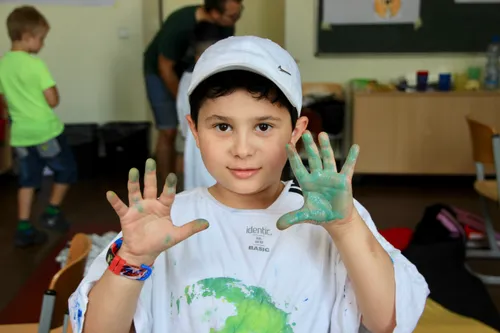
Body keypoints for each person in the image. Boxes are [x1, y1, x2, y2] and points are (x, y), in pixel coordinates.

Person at [69, 36, 429, 333]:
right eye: (222, 126)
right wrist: (133, 258)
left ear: (297, 130)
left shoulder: (337, 217)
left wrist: (346, 226)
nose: (242, 150)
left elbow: (388, 324)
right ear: (194, 130)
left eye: (264, 126)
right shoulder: (165, 222)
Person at [143, 0, 243, 187]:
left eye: (239, 13)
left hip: (196, 73)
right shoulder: (179, 24)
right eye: (232, 16)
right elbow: (165, 66)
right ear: (214, 13)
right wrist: (191, 101)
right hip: (162, 72)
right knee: (168, 130)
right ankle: (167, 188)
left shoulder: (226, 26)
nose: (235, 20)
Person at [0, 6, 77, 247]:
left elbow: (3, 101)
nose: (42, 44)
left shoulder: (2, 65)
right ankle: (52, 212)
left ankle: (23, 227)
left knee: (28, 180)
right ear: (27, 36)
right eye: (41, 39)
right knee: (67, 171)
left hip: (21, 136)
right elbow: (52, 100)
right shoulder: (35, 65)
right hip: (46, 132)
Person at [176, 21, 227, 190]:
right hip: (212, 146)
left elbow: (183, 118)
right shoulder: (225, 77)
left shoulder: (187, 78)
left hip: (197, 142)